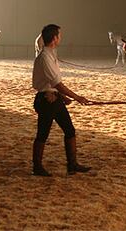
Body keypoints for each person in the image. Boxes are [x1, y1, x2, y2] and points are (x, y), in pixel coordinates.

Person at [32, 24, 91, 176]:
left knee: (70, 130)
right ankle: (37, 167)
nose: (60, 38)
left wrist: (62, 96)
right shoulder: (45, 57)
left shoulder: (50, 54)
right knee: (43, 134)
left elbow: (52, 83)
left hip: (53, 97)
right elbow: (56, 83)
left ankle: (72, 165)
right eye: (59, 35)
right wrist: (77, 97)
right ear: (54, 38)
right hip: (46, 100)